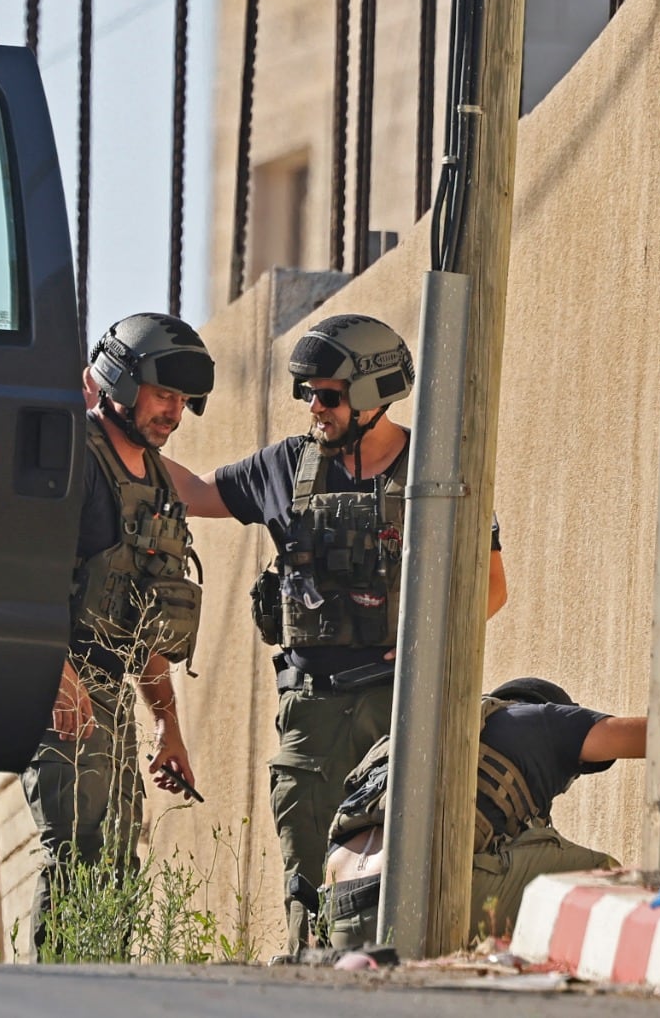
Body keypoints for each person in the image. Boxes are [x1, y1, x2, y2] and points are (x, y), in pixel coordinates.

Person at [164, 313, 508, 956]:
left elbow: (491, 586)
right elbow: (194, 493)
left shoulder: (437, 472)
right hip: (311, 714)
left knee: (406, 873)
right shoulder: (287, 466)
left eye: (328, 394)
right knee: (309, 882)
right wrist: (109, 433)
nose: (313, 408)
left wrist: (418, 646)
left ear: (373, 394)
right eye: (308, 394)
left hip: (401, 708)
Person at [320, 676, 660, 947]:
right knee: (603, 886)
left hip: (340, 908)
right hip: (416, 890)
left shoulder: (429, 736)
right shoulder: (545, 724)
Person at [24, 312, 214, 959]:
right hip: (62, 680)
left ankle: (97, 987)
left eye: (183, 401)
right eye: (164, 394)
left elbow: (150, 620)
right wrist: (55, 671)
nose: (174, 413)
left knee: (118, 860)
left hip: (112, 692)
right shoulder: (76, 459)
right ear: (119, 382)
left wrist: (169, 726)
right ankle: (51, 996)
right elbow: (24, 572)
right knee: (77, 849)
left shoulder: (159, 484)